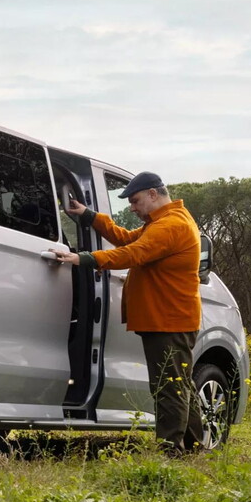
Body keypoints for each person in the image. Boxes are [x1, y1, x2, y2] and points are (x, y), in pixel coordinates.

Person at [50, 171, 204, 455]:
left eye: (135, 201)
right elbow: (126, 240)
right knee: (178, 384)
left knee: (168, 387)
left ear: (153, 194)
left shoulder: (171, 225)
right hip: (168, 319)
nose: (132, 207)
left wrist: (85, 258)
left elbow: (133, 253)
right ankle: (194, 446)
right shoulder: (161, 223)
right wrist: (90, 216)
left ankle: (170, 450)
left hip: (168, 321)